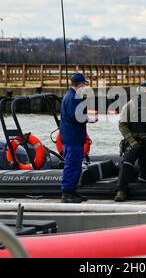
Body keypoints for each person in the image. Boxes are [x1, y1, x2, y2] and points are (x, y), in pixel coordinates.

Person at [114, 81, 146, 202]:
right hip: (135, 143)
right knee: (127, 163)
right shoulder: (131, 105)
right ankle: (121, 190)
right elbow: (122, 125)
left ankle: (145, 183)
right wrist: (131, 141)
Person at [60, 73, 98, 203]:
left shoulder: (73, 96)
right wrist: (89, 119)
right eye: (84, 85)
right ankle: (67, 193)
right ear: (80, 84)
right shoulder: (72, 98)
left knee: (76, 166)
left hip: (74, 136)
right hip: (72, 138)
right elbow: (75, 117)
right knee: (71, 165)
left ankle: (73, 192)